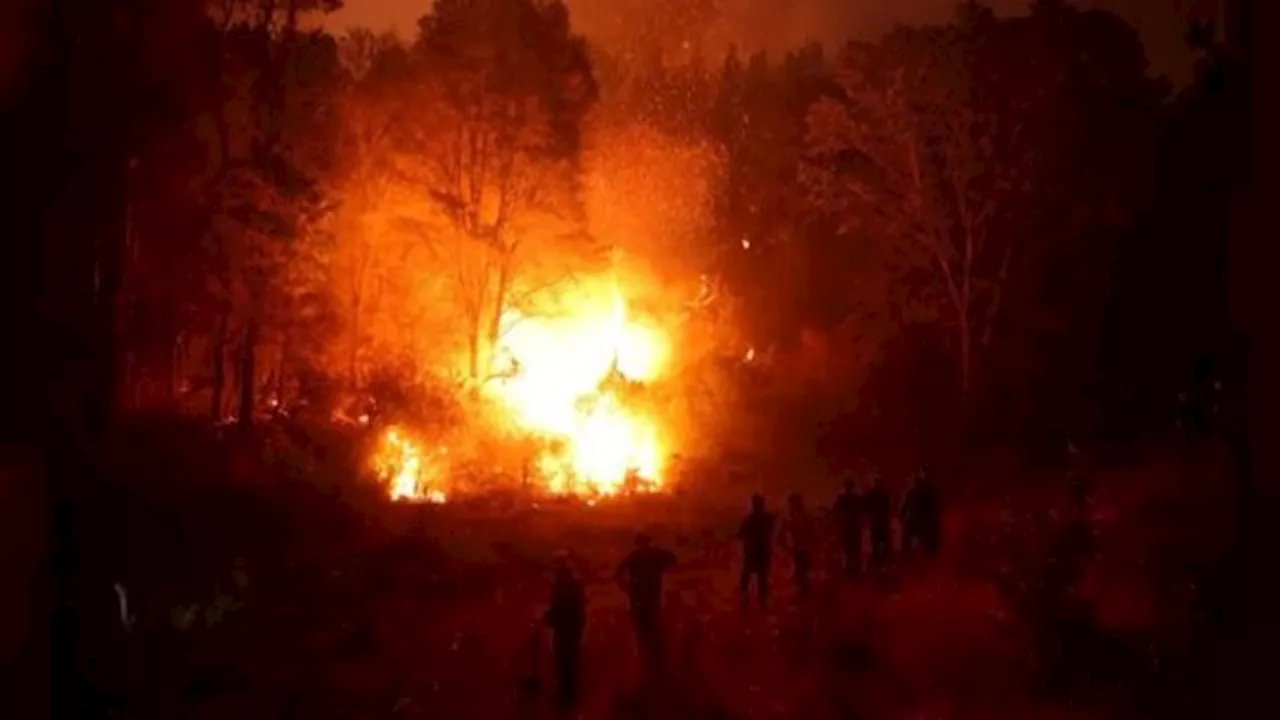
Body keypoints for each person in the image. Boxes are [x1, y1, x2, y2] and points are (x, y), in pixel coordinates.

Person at [615, 533, 677, 678]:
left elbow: (618, 575)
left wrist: (628, 589)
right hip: (651, 598)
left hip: (638, 599)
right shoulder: (655, 555)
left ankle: (647, 665)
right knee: (653, 629)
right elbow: (673, 560)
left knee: (642, 632)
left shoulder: (634, 557)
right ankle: (656, 664)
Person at [544, 552, 586, 708]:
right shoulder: (573, 584)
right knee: (570, 661)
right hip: (572, 628)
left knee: (564, 661)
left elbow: (558, 608)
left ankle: (566, 696)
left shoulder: (562, 585)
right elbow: (580, 609)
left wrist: (548, 618)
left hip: (565, 628)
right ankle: (570, 694)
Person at [736, 494, 777, 608]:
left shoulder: (749, 519)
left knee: (747, 578)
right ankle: (762, 601)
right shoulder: (767, 518)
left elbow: (740, 535)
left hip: (752, 553)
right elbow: (773, 529)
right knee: (762, 578)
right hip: (762, 552)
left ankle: (745, 600)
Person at [779, 493, 816, 598]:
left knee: (802, 572)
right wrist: (785, 547)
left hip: (803, 548)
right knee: (797, 572)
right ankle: (801, 593)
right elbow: (781, 534)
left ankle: (803, 593)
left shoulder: (804, 516)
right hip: (795, 548)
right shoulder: (788, 517)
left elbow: (811, 531)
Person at [900, 468, 942, 557]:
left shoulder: (921, 493)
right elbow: (907, 505)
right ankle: (913, 552)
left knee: (916, 536)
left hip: (922, 520)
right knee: (912, 536)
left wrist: (903, 514)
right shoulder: (916, 492)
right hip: (920, 520)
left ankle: (922, 552)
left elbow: (932, 507)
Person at [833, 478, 863, 578]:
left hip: (847, 527)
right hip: (853, 527)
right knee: (854, 551)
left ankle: (850, 571)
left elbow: (836, 513)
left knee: (848, 550)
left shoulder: (842, 498)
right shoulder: (856, 498)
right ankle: (854, 571)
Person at [864, 476, 892, 568]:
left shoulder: (872, 494)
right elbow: (888, 507)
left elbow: (866, 507)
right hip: (881, 521)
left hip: (877, 521)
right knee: (881, 542)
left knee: (877, 542)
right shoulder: (883, 495)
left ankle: (879, 560)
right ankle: (881, 560)